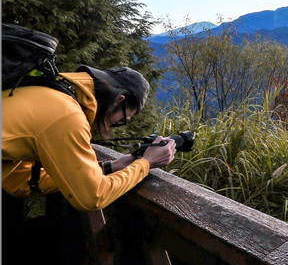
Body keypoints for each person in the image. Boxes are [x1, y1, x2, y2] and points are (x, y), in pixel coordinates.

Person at [2, 65, 177, 210]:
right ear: (119, 100)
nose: (109, 126)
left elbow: (19, 181)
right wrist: (146, 164)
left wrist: (113, 166)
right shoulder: (67, 115)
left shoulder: (49, 92)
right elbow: (94, 197)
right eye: (121, 120)